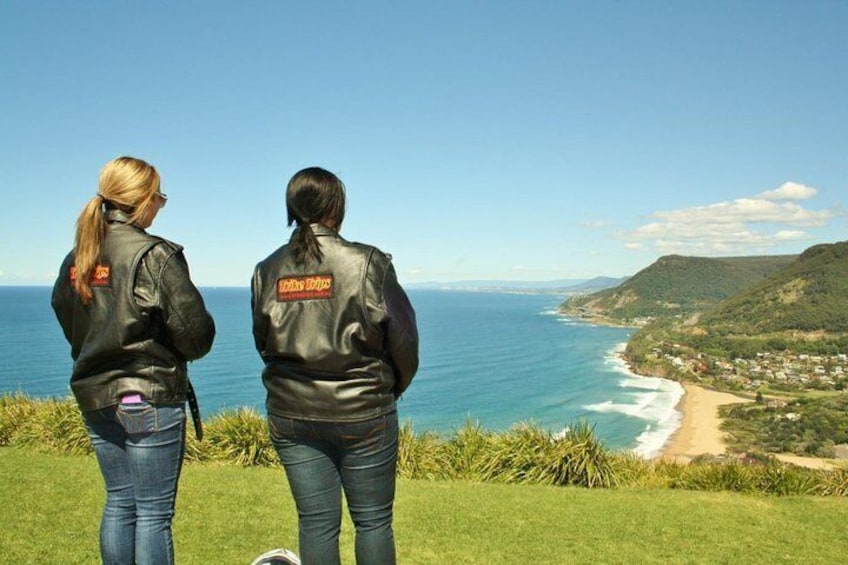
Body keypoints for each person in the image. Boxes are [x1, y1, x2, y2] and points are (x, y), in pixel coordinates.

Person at [51, 156, 215, 565]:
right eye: (158, 195)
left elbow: (65, 311)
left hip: (96, 397)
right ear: (142, 200)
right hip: (148, 397)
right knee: (153, 513)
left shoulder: (78, 258)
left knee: (120, 502)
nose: (161, 203)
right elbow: (195, 336)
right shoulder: (153, 255)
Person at [251, 167, 419, 565]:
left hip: (291, 413)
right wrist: (388, 389)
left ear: (292, 208)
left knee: (316, 523)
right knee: (374, 521)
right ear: (337, 208)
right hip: (364, 412)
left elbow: (264, 342)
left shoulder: (267, 270)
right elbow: (405, 340)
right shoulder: (367, 263)